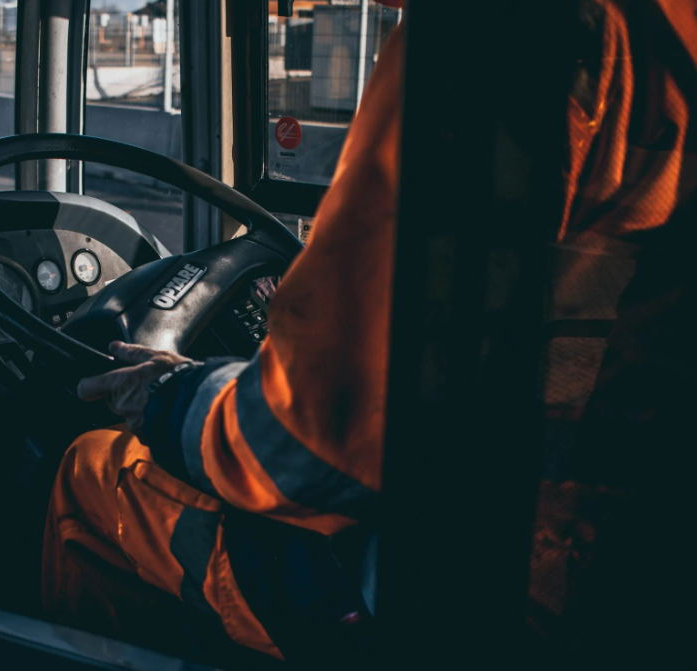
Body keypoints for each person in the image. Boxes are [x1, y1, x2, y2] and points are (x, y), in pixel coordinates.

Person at [42, 0, 697, 661]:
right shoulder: (662, 38)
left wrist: (171, 394)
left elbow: (304, 450)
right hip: (629, 568)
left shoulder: (490, 31)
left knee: (91, 472)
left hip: (458, 584)